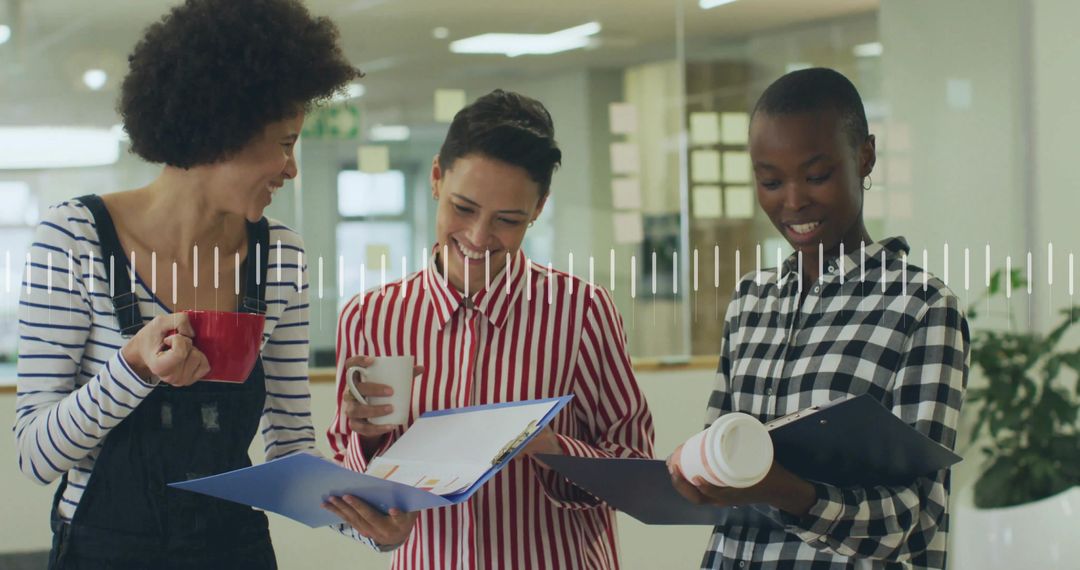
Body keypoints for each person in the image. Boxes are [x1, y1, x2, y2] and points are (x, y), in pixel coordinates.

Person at [14, 1, 359, 567]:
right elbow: (36, 456)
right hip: (104, 553)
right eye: (285, 142)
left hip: (235, 552)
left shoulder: (281, 256)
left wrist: (367, 524)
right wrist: (133, 368)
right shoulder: (74, 237)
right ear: (223, 130)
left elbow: (290, 446)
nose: (291, 168)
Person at [324, 89, 656, 569]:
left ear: (538, 208)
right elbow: (344, 474)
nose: (478, 237)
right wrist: (368, 453)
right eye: (463, 208)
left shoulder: (582, 311)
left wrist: (551, 448)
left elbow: (637, 473)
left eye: (508, 220)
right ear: (436, 178)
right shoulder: (368, 317)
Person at [668, 68, 969, 570]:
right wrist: (695, 470)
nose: (792, 201)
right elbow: (719, 461)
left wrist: (787, 491)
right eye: (770, 181)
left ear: (865, 157)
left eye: (816, 176)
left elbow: (916, 521)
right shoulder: (751, 301)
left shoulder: (920, 306)